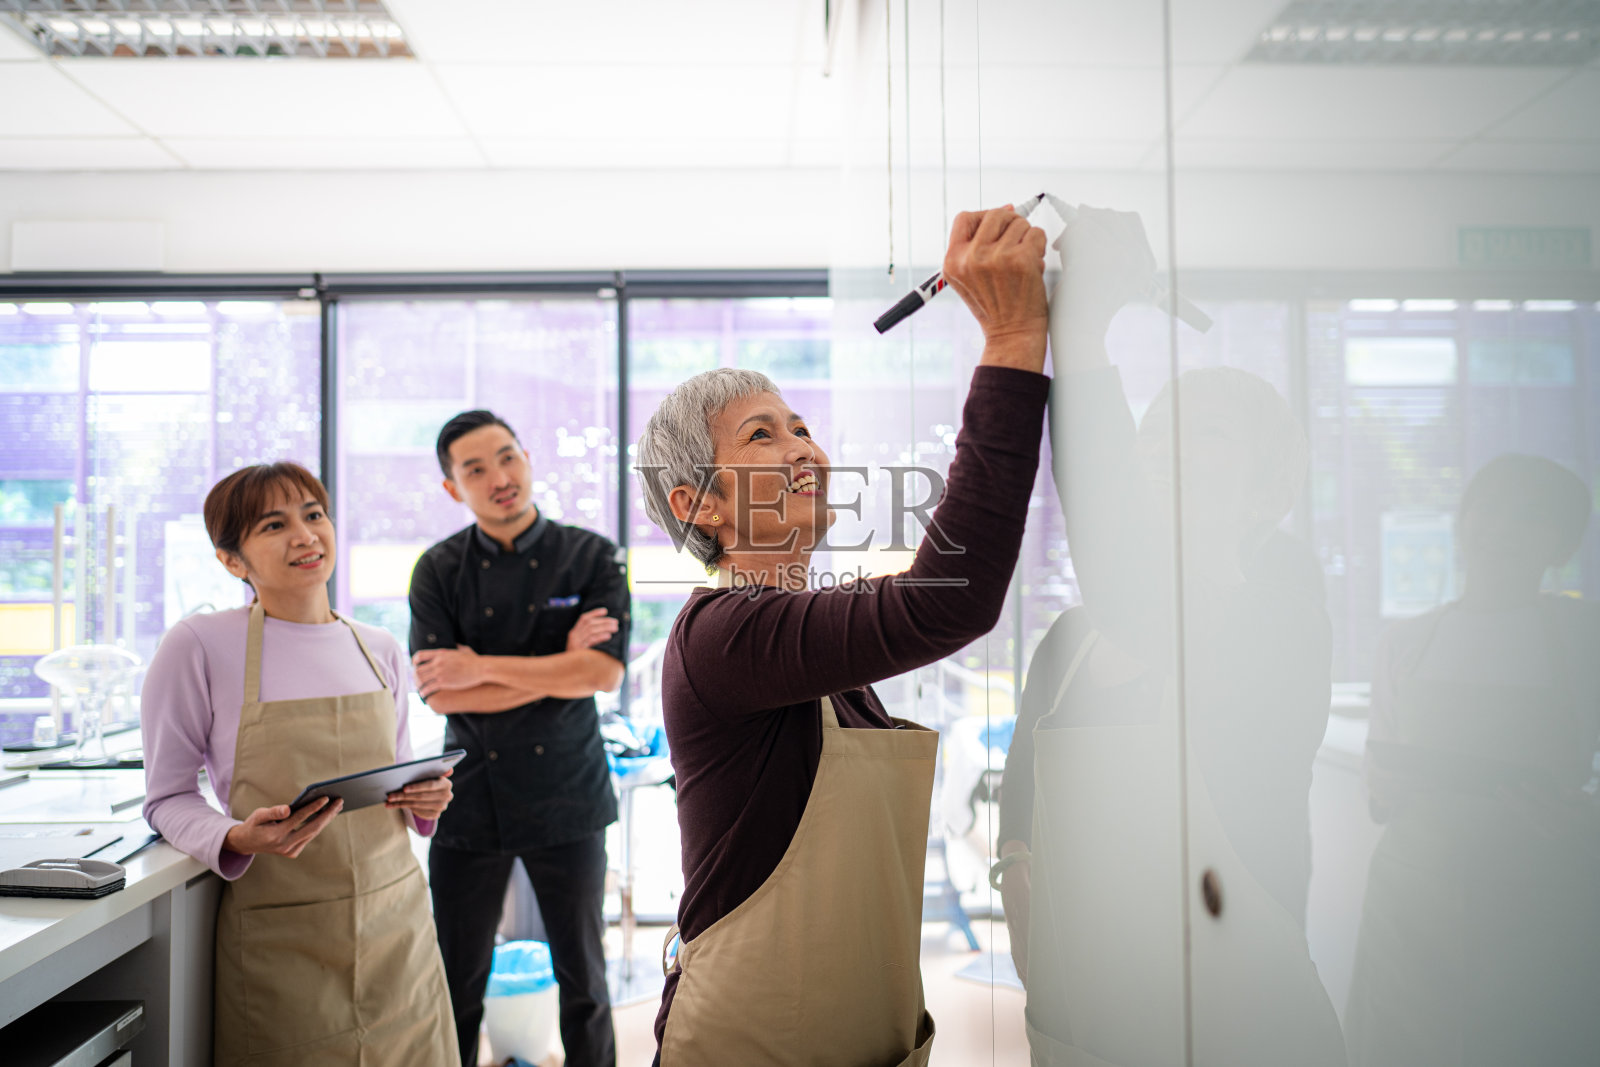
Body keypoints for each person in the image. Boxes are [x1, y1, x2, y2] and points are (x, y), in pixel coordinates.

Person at [634, 204, 1051, 1067]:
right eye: (762, 434)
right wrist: (1011, 339)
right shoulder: (722, 634)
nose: (805, 449)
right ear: (698, 504)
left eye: (803, 428)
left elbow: (924, 596)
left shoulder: (811, 641)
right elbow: (950, 600)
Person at [996, 206, 1344, 1066]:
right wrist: (1040, 969)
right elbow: (1019, 826)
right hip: (1083, 1026)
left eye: (1207, 435)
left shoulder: (1280, 609)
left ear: (1270, 493)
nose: (1160, 449)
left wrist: (1081, 331)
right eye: (1153, 432)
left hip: (1241, 1024)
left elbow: (1137, 589)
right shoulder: (1072, 641)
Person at [140, 461, 457, 1067]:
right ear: (233, 561)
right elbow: (167, 797)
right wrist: (233, 835)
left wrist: (427, 803)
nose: (306, 535)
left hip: (399, 928)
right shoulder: (199, 646)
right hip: (282, 940)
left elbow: (402, 775)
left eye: (314, 515)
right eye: (274, 524)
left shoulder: (379, 648)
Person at [1345, 453, 1600, 1066]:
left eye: (1530, 518)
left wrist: (1578, 821)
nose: (1502, 530)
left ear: (1562, 546)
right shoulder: (1405, 641)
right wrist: (1383, 786)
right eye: (1490, 509)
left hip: (1539, 906)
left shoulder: (1583, 636)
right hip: (1410, 905)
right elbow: (1380, 789)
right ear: (1463, 521)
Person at [408, 409, 629, 1067]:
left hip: (569, 792)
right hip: (469, 795)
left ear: (528, 457)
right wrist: (557, 666)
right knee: (455, 978)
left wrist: (480, 666)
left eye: (507, 457)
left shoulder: (591, 554)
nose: (499, 477)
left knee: (585, 980)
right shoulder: (438, 569)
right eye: (475, 468)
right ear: (453, 487)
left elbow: (603, 671)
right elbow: (439, 692)